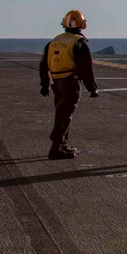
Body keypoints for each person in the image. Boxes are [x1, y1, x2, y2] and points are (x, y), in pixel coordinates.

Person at [39, 9, 99, 159]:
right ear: (82, 24)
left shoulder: (54, 41)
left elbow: (43, 64)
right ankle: (55, 147)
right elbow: (86, 68)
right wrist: (92, 88)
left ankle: (63, 144)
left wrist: (45, 84)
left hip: (56, 83)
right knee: (65, 115)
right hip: (70, 82)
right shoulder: (78, 42)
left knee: (62, 113)